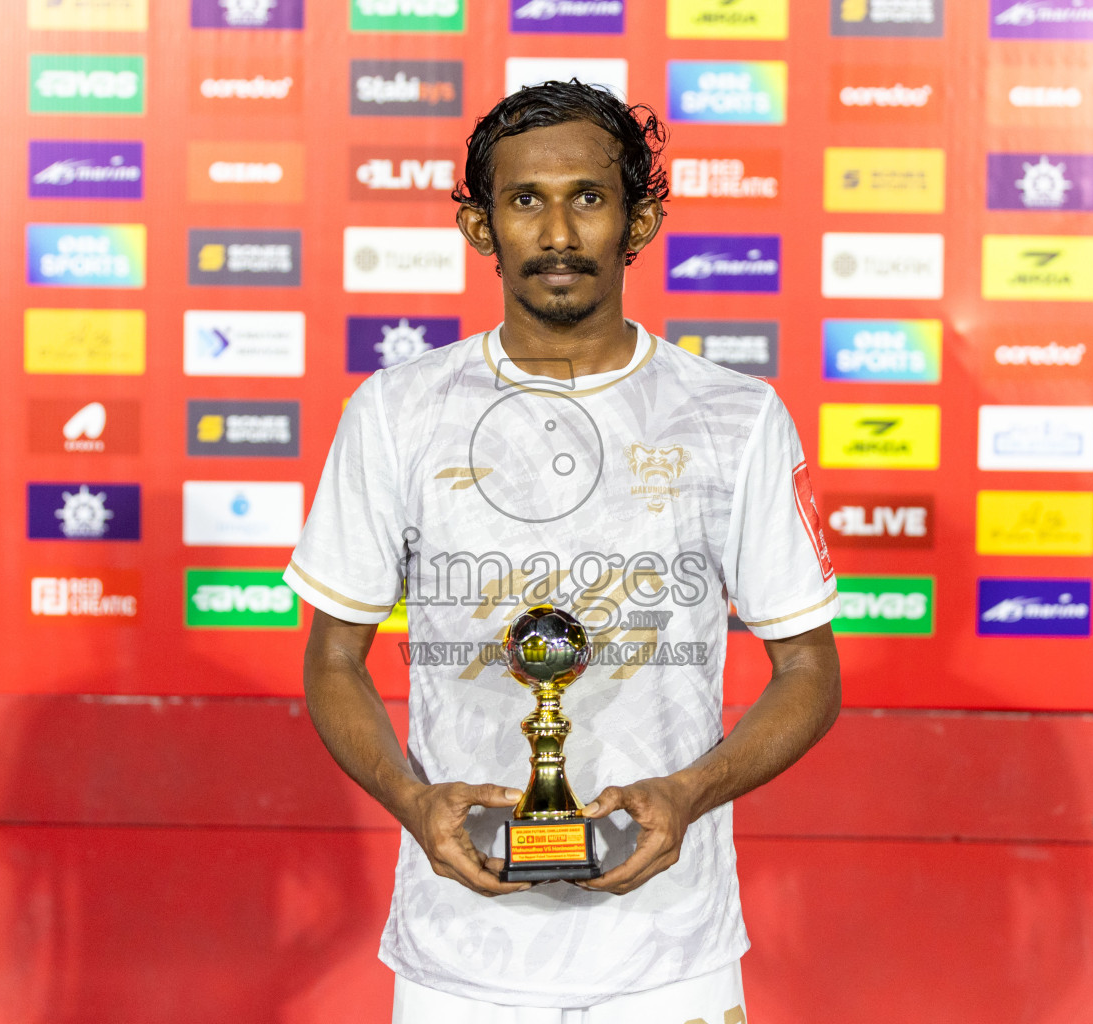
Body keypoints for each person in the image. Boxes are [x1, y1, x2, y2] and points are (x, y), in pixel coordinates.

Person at [287, 80, 842, 1024]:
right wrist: (413, 804)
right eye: (524, 200)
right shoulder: (397, 412)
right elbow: (334, 657)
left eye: (588, 197)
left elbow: (810, 672)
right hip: (461, 954)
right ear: (479, 225)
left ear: (641, 219)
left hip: (671, 954)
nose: (556, 233)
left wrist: (688, 792)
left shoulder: (734, 418)